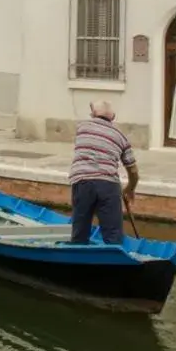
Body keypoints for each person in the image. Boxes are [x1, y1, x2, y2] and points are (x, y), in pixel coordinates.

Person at [69, 100, 139, 245]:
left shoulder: (82, 127)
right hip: (109, 185)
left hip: (83, 181)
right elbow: (133, 170)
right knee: (113, 237)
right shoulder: (121, 137)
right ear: (112, 117)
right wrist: (129, 189)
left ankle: (77, 253)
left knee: (80, 233)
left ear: (93, 114)